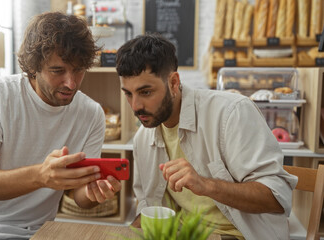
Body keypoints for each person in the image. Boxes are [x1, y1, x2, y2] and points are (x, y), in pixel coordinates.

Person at [0, 12, 121, 240]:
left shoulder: (91, 114)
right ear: (34, 66)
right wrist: (41, 175)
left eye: (78, 70)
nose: (71, 83)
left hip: (30, 234)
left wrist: (92, 192)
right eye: (58, 71)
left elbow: (80, 197)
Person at [115, 33, 298, 240]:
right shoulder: (143, 137)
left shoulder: (231, 112)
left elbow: (276, 198)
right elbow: (148, 206)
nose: (136, 106)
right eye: (128, 94)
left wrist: (206, 185)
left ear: (174, 83)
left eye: (145, 92)